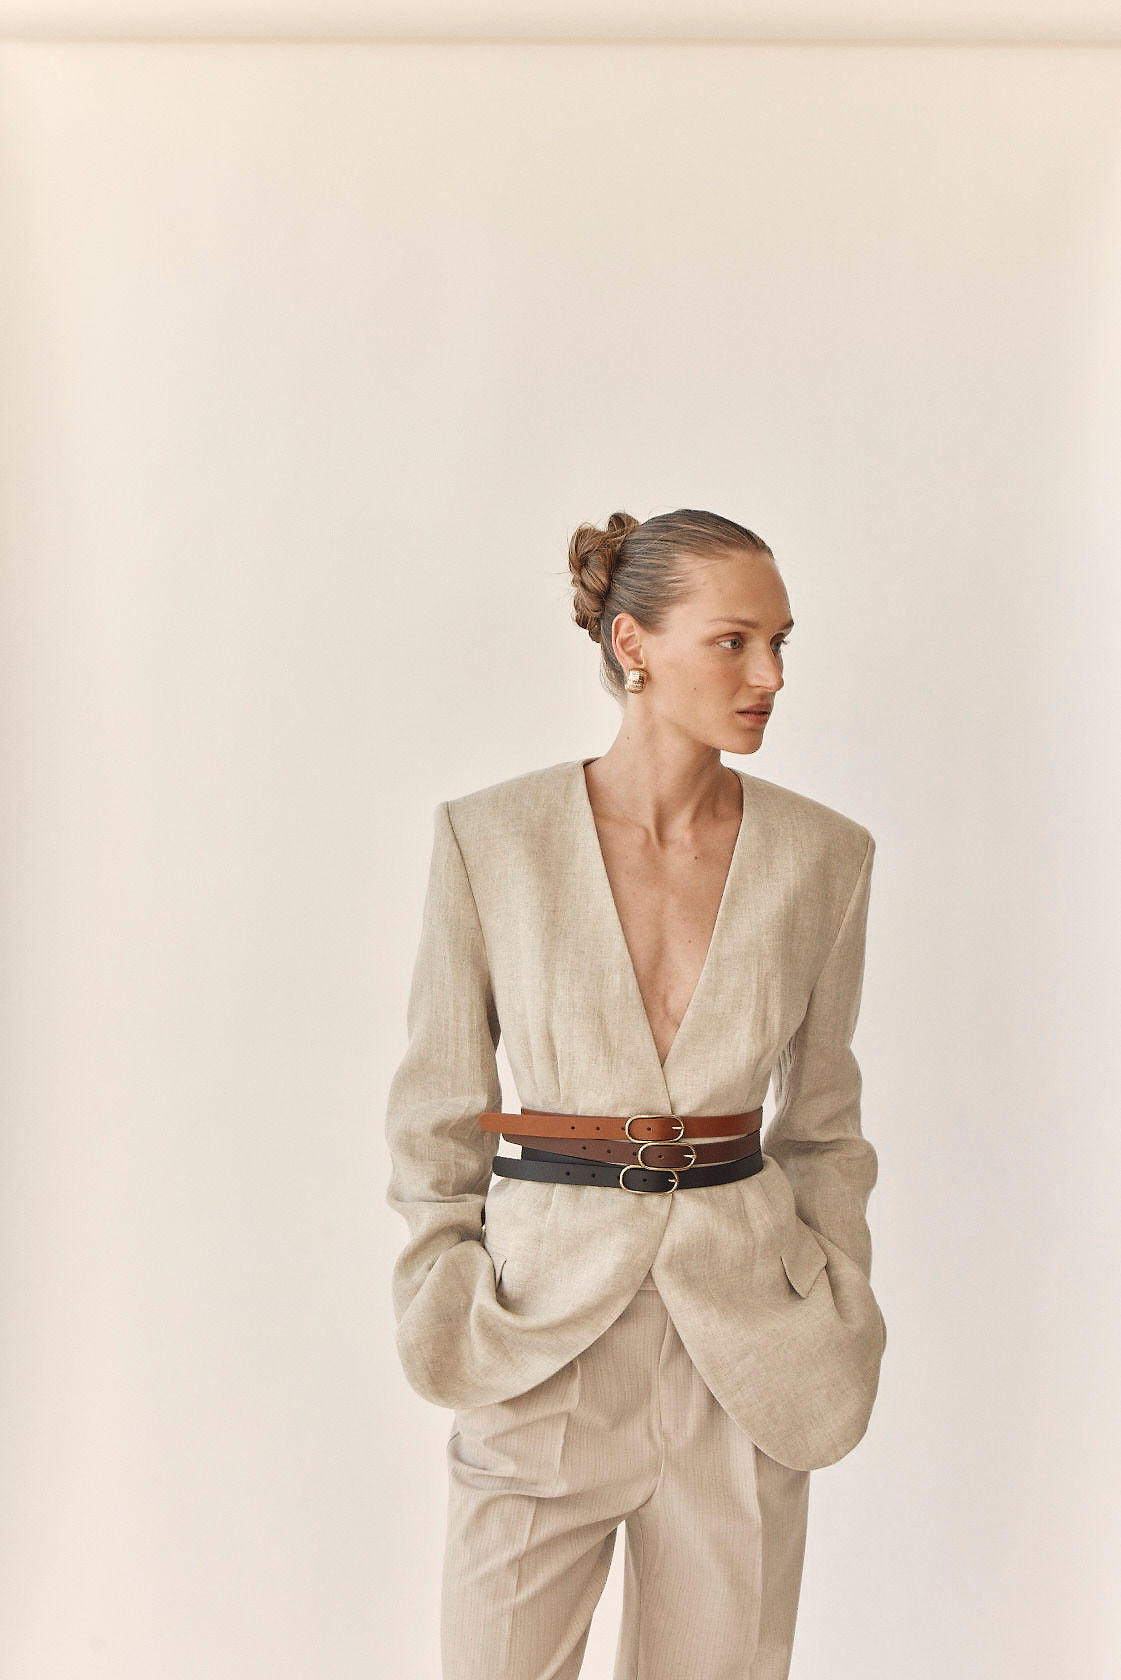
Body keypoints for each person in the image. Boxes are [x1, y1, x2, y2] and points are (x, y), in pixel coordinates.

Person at [384, 507, 887, 1680]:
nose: (769, 676)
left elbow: (823, 1127)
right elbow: (435, 1109)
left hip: (744, 1351)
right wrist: (445, 1289)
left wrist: (833, 1296)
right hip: (538, 1335)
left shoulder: (823, 858)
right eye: (733, 641)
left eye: (779, 643)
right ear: (632, 644)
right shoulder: (490, 840)